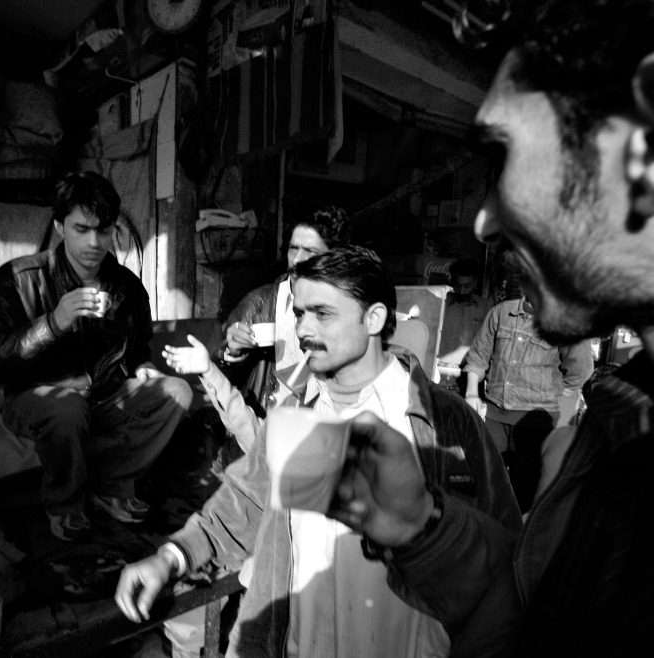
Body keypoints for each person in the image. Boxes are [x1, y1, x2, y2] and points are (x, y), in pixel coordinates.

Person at [327, 1, 654, 655]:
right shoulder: (623, 416)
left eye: (507, 154)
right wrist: (424, 526)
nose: (483, 222)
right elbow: (541, 613)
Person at [115, 246, 520, 657]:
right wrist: (171, 557)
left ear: (374, 318)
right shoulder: (295, 420)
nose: (304, 329)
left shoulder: (447, 425)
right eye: (299, 314)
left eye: (322, 314)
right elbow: (241, 507)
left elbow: (506, 561)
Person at [0, 171, 192, 542]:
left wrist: (144, 367)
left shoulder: (127, 287)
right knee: (66, 407)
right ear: (59, 226)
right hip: (36, 399)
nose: (93, 243)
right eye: (81, 229)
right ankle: (65, 502)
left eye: (103, 231)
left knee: (177, 392)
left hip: (103, 396)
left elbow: (138, 347)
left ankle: (111, 485)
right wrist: (53, 323)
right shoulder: (19, 279)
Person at [215, 206, 350, 419]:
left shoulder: (347, 308)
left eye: (310, 252)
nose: (297, 260)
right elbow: (219, 386)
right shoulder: (260, 304)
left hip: (325, 424)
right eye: (293, 249)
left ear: (332, 259)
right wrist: (233, 353)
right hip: (265, 422)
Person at [462, 294, 593, 509]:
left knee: (526, 492)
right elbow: (478, 357)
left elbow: (579, 373)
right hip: (495, 415)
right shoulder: (501, 312)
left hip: (537, 422)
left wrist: (559, 412)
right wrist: (471, 394)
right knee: (487, 481)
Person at [436, 257, 492, 393]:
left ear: (475, 283)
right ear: (451, 281)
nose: (461, 291)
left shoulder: (486, 308)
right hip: (442, 374)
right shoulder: (441, 304)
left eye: (467, 286)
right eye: (457, 285)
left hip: (472, 376)